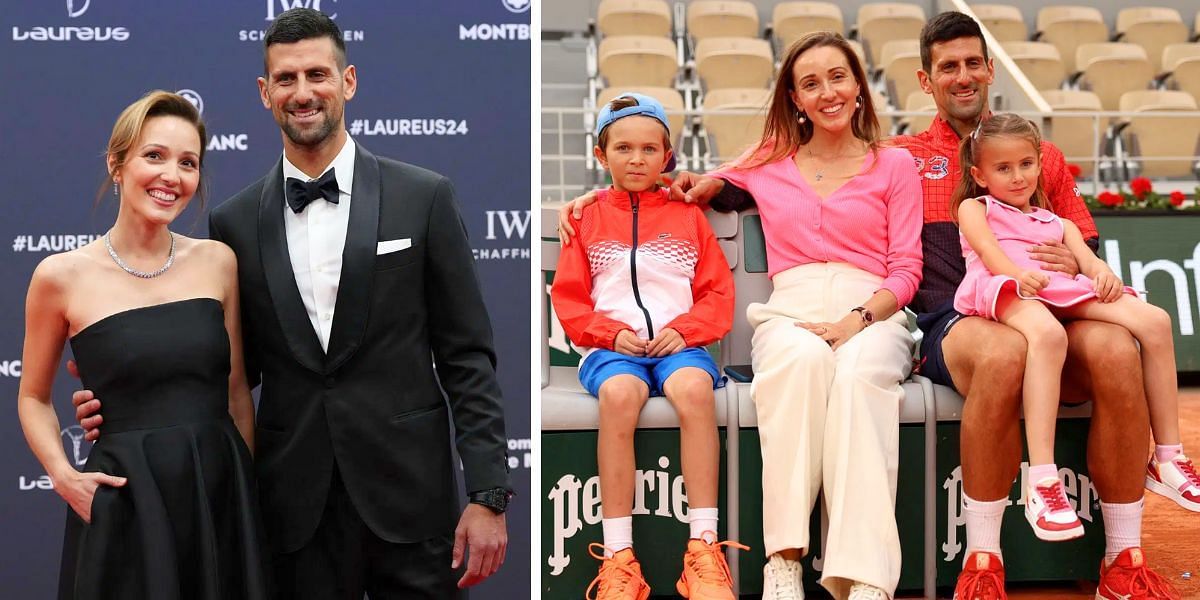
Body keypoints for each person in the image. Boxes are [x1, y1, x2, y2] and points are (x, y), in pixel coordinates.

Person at [72, 9, 511, 599]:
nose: (302, 93)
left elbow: (467, 358)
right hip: (291, 512)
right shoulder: (232, 223)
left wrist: (486, 495)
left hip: (411, 502)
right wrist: (129, 392)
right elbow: (226, 369)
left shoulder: (423, 196)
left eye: (317, 75)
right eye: (285, 79)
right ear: (265, 93)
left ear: (348, 81)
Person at [563, 31, 922, 600]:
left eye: (838, 77)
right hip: (791, 307)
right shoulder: (769, 159)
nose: (827, 92)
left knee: (859, 378)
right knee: (798, 364)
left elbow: (906, 268)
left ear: (859, 86)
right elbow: (684, 185)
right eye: (810, 83)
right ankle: (784, 560)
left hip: (872, 309)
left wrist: (856, 320)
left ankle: (864, 576)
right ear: (794, 99)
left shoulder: (895, 165)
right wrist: (587, 200)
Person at [891, 12, 1182, 600]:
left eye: (974, 62)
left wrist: (1079, 263)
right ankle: (983, 561)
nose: (964, 75)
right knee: (1004, 354)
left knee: (1116, 348)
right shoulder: (903, 155)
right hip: (959, 316)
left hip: (1048, 306)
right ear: (927, 81)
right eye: (949, 66)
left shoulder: (1041, 155)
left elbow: (1083, 246)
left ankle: (1124, 559)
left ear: (991, 68)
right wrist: (722, 180)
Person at [17, 90, 270, 599]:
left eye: (188, 163)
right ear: (117, 163)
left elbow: (237, 389)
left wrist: (244, 489)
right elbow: (32, 396)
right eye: (154, 156)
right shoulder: (60, 276)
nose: (171, 176)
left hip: (218, 494)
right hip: (127, 502)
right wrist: (64, 477)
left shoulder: (218, 261)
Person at [952, 113, 1197, 545]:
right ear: (979, 174)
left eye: (1026, 164)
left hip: (1058, 291)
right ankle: (1043, 481)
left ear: (1039, 165)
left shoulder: (1058, 223)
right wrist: (1015, 275)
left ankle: (1168, 457)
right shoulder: (974, 208)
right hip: (1006, 290)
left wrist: (1103, 274)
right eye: (1003, 168)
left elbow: (1089, 264)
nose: (1017, 176)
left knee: (1155, 321)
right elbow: (988, 251)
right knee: (1048, 335)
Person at [551, 93, 741, 600]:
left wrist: (688, 329)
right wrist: (610, 334)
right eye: (623, 148)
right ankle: (618, 558)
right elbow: (569, 300)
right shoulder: (584, 219)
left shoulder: (688, 216)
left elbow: (717, 292)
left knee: (696, 390)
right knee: (618, 396)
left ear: (667, 154)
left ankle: (703, 550)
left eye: (649, 149)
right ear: (600, 154)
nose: (636, 159)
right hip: (612, 348)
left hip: (681, 344)